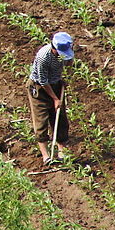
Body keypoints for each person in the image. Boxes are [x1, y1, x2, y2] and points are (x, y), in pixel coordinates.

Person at [27, 32, 73, 165]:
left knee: (60, 118)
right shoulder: (44, 56)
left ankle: (61, 151)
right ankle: (46, 155)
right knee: (41, 118)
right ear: (54, 48)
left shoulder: (66, 50)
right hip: (40, 88)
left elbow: (69, 62)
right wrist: (55, 99)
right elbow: (43, 81)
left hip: (56, 84)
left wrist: (65, 78)